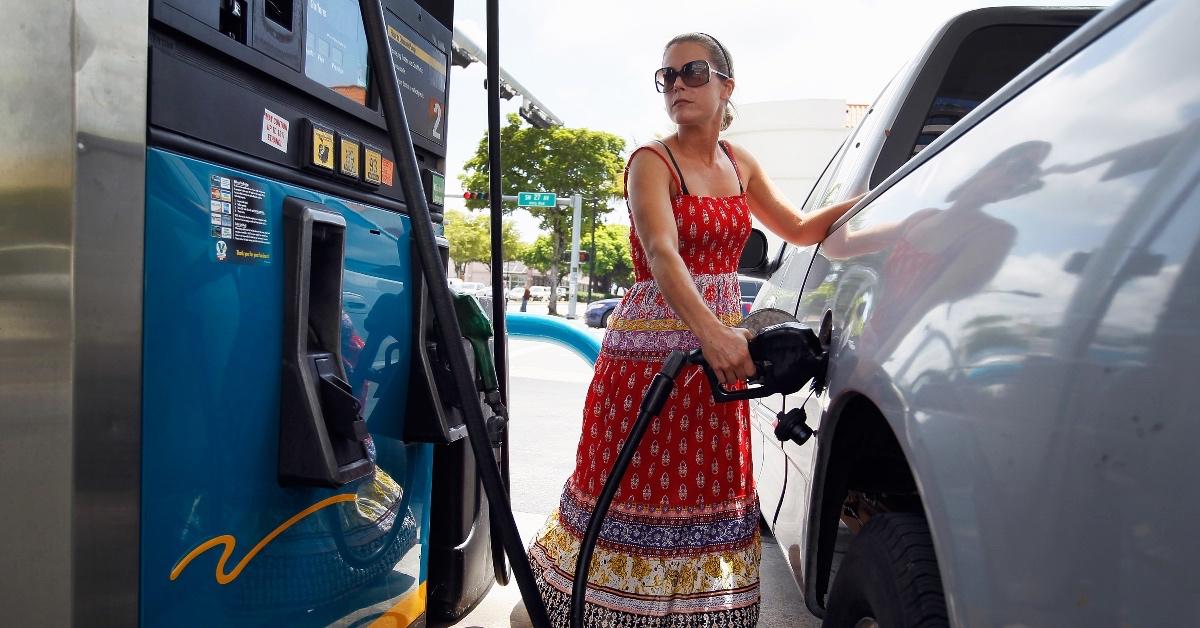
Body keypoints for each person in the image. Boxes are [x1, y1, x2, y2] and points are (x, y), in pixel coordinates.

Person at [526, 32, 863, 626]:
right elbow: (661, 254)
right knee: (630, 496)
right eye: (667, 77)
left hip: (718, 368)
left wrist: (882, 204)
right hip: (650, 367)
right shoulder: (650, 162)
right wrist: (712, 333)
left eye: (692, 72)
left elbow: (803, 228)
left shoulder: (740, 163)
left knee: (704, 499)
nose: (677, 85)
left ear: (726, 84)